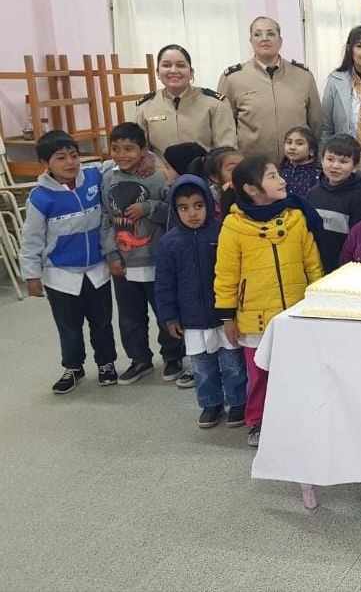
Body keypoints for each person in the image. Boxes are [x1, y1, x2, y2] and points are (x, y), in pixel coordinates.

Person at [215, 156, 325, 446]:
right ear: (252, 189)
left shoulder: (296, 218)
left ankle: (296, 416)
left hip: (295, 312)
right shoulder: (233, 226)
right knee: (260, 373)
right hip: (255, 318)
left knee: (297, 369)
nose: (282, 180)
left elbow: (312, 263)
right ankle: (258, 420)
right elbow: (225, 274)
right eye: (273, 176)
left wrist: (318, 299)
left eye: (279, 174)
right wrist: (227, 316)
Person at [20, 131, 119, 393]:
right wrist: (31, 275)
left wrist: (147, 159)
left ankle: (106, 363)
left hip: (97, 270)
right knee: (69, 326)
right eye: (61, 158)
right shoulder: (40, 197)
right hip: (60, 276)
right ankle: (73, 367)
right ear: (46, 163)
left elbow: (119, 160)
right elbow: (31, 239)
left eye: (74, 155)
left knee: (102, 322)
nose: (70, 163)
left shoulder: (93, 176)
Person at [155, 176, 248, 429]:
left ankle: (238, 401)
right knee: (202, 366)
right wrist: (169, 317)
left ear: (208, 203)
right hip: (192, 318)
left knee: (232, 362)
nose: (192, 213)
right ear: (175, 210)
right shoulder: (169, 243)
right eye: (184, 208)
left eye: (198, 205)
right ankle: (210, 403)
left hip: (223, 316)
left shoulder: (223, 233)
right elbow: (164, 284)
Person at [100, 122, 187, 386]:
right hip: (124, 264)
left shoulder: (158, 176)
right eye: (115, 148)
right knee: (130, 317)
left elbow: (174, 213)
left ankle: (172, 356)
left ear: (143, 150)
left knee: (165, 314)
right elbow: (105, 218)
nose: (121, 154)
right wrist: (111, 254)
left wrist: (149, 207)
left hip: (156, 260)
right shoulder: (108, 177)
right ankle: (139, 359)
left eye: (129, 148)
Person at [217, 16, 324, 162]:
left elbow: (317, 124)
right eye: (257, 34)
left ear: (280, 41)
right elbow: (224, 129)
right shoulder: (233, 78)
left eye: (271, 34)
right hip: (252, 165)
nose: (264, 39)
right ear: (251, 41)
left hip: (298, 165)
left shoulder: (303, 76)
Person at [136, 44, 237, 155]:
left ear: (191, 72)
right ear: (158, 73)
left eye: (181, 65)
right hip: (160, 166)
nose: (173, 70)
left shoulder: (215, 103)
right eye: (166, 65)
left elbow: (226, 151)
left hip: (205, 166)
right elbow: (141, 151)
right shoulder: (145, 106)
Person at [307, 133, 361, 273]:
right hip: (315, 267)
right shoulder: (313, 193)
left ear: (355, 166)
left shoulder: (360, 198)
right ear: (321, 160)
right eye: (330, 159)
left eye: (343, 161)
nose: (335, 166)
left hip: (344, 270)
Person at [278, 126, 320, 198]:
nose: (292, 147)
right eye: (289, 142)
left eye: (299, 143)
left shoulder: (317, 174)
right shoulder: (280, 170)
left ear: (311, 151)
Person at [204, 147, 243, 220]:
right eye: (232, 169)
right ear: (215, 177)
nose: (241, 172)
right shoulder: (206, 202)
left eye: (243, 166)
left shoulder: (256, 193)